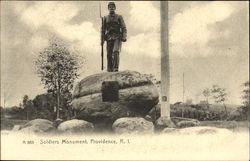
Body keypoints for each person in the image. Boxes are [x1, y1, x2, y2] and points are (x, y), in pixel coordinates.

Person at [101, 2, 127, 72]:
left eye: (113, 7)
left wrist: (124, 36)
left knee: (115, 51)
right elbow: (102, 30)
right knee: (109, 53)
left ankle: (116, 68)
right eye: (110, 7)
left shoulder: (119, 17)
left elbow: (123, 27)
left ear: (115, 8)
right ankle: (110, 69)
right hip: (109, 37)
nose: (111, 8)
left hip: (117, 37)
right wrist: (102, 39)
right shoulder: (105, 18)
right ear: (108, 8)